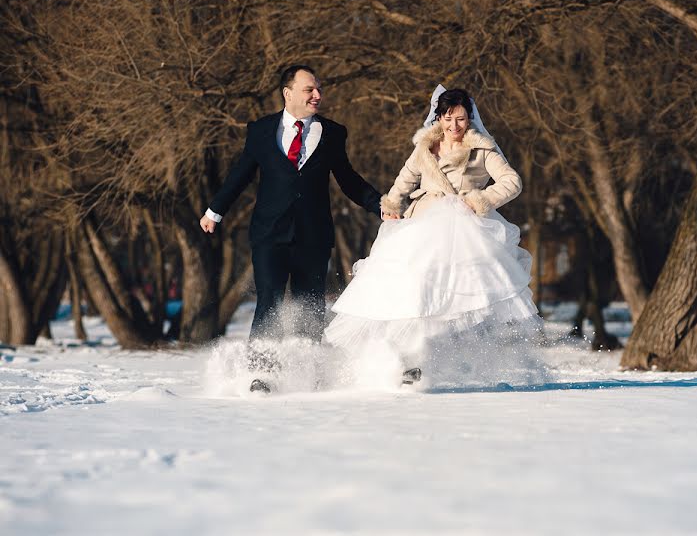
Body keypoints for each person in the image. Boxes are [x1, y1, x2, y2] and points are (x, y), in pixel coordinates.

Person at [323, 85, 542, 386]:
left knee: (451, 300)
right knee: (410, 288)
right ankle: (402, 361)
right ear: (438, 117)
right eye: (448, 119)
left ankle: (434, 362)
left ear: (470, 119)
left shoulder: (482, 147)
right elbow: (405, 179)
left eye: (461, 119)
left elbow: (511, 181)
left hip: (463, 231)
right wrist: (390, 204)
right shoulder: (425, 147)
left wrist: (479, 199)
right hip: (423, 224)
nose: (454, 126)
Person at [199, 65, 382, 393]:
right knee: (268, 299)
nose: (317, 95)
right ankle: (261, 375)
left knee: (309, 303)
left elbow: (348, 179)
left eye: (319, 89)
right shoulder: (261, 130)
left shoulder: (332, 132)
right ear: (288, 93)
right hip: (270, 233)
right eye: (309, 89)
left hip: (313, 235)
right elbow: (240, 174)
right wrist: (215, 210)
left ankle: (308, 375)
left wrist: (379, 204)